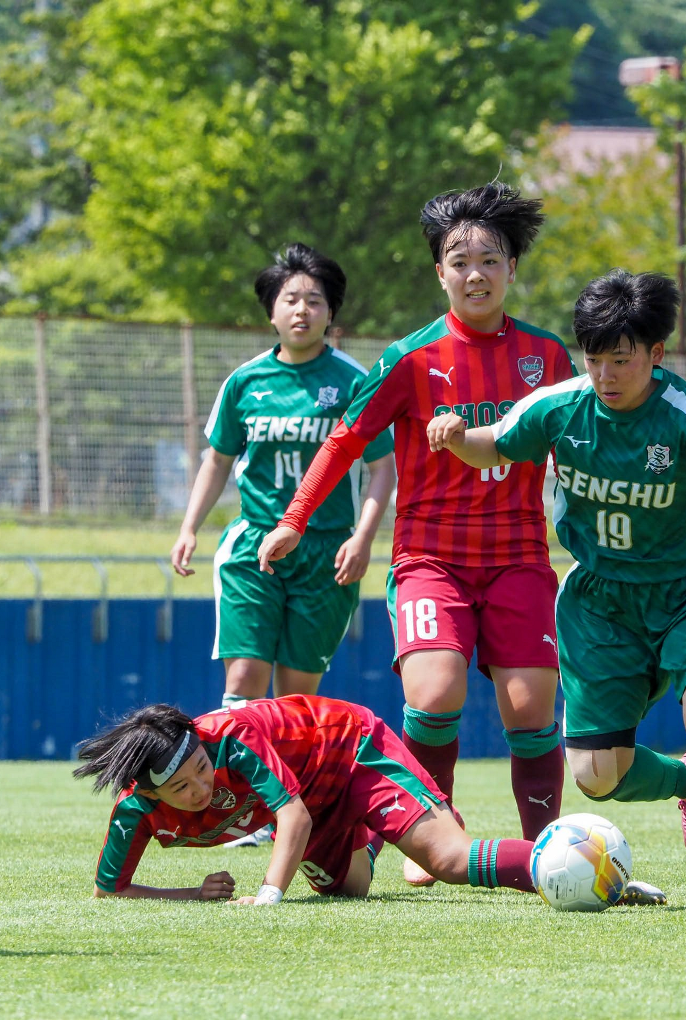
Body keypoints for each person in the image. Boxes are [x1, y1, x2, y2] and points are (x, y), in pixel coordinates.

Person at [426, 270, 686, 910]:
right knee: (596, 777)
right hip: (599, 602)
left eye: (621, 360)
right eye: (594, 359)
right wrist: (457, 436)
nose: (605, 375)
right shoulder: (561, 406)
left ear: (656, 353)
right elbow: (495, 445)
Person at [257, 186, 575, 886]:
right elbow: (345, 441)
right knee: (435, 694)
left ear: (512, 268)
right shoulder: (409, 357)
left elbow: (578, 444)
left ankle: (549, 853)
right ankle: (434, 831)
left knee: (530, 707)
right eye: (459, 262)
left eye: (489, 260)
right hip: (432, 558)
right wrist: (293, 520)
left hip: (520, 557)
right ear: (439, 273)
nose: (475, 274)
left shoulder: (548, 357)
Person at [171, 242, 394, 710]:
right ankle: (237, 761)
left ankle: (285, 762)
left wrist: (363, 539)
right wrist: (189, 527)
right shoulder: (244, 381)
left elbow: (382, 467)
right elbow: (218, 460)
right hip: (254, 544)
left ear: (330, 313)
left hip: (326, 551)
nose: (302, 310)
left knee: (295, 697)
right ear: (271, 312)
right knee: (244, 678)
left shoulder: (355, 381)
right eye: (290, 299)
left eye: (315, 301)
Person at [75, 695, 540, 901]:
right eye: (181, 788)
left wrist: (269, 894)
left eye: (202, 768)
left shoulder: (229, 737)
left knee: (449, 861)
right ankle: (385, 828)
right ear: (149, 792)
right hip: (309, 798)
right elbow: (109, 891)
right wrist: (194, 894)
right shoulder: (134, 811)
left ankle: (562, 865)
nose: (202, 787)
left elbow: (292, 817)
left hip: (350, 748)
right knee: (351, 890)